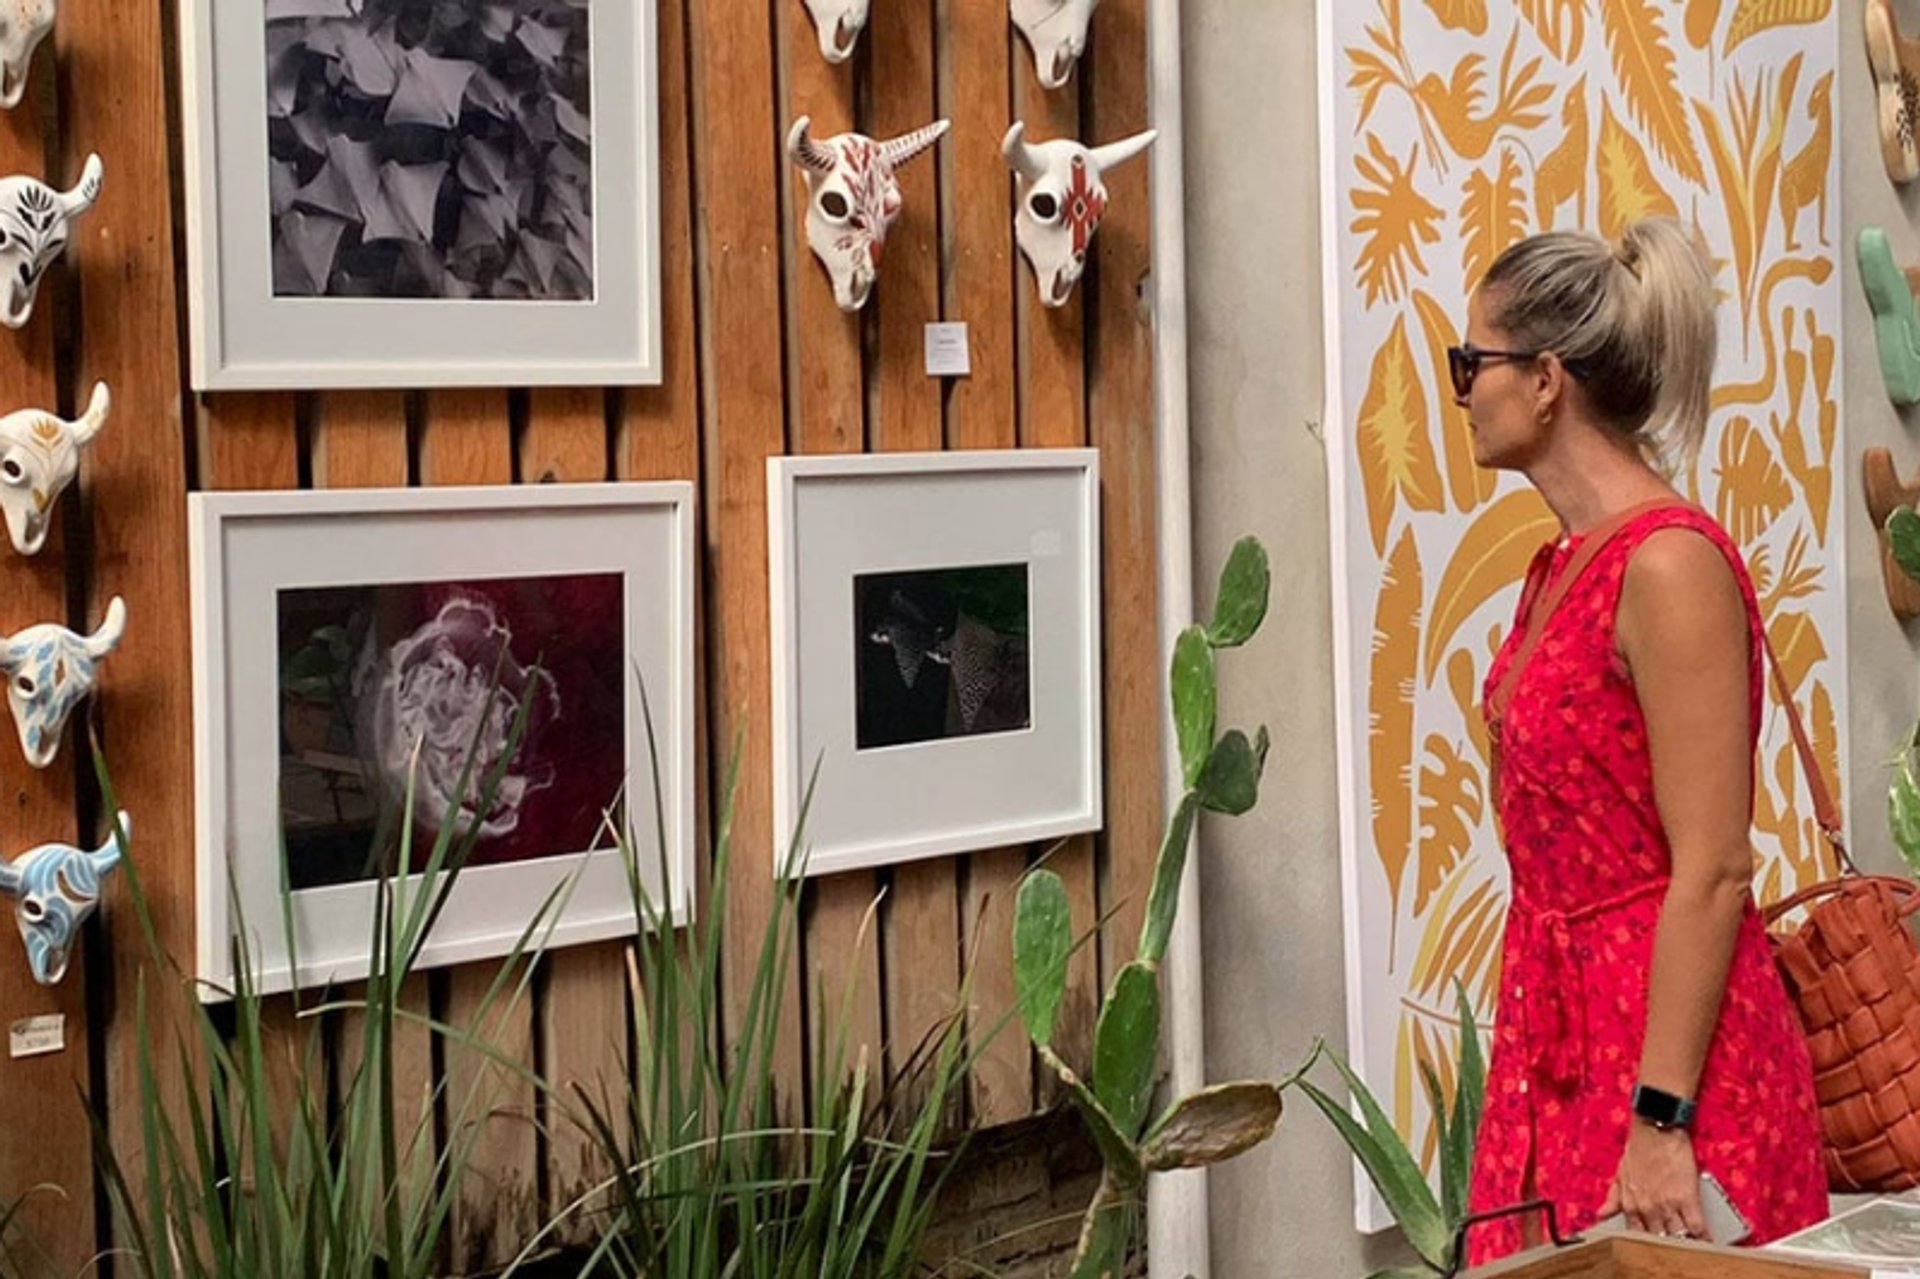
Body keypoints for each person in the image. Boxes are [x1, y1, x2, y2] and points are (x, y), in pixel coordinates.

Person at [1452, 217, 1826, 1264]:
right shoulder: (1563, 565)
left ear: (1545, 379)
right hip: (1558, 1044)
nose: (1462, 389)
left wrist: (1662, 1118)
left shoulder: (1668, 567)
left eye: (1470, 361)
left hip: (1669, 1068)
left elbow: (1711, 868)